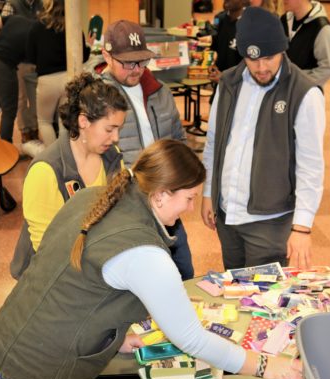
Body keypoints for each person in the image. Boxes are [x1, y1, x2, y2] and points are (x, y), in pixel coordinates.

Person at [0, 139, 301, 379]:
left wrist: (112, 336)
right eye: (189, 197)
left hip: (12, 338)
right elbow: (192, 338)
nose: (190, 208)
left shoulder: (94, 197)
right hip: (40, 372)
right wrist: (265, 365)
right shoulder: (146, 254)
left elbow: (73, 281)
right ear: (161, 194)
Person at [201, 7, 325, 270]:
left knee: (263, 300)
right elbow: (214, 142)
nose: (261, 67)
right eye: (251, 58)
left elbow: (310, 166)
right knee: (234, 290)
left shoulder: (304, 93)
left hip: (270, 221)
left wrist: (302, 228)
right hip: (227, 214)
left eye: (268, 57)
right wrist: (208, 194)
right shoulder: (228, 83)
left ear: (282, 48)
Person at [100, 19, 194, 280]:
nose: (136, 69)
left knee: (183, 273)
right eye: (127, 62)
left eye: (141, 61)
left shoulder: (160, 91)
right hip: (129, 208)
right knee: (145, 281)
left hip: (168, 204)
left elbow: (178, 139)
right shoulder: (98, 99)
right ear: (106, 55)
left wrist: (182, 184)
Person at [10, 73, 127, 279]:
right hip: (46, 275)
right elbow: (46, 246)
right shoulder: (46, 170)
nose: (115, 138)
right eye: (110, 129)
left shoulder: (112, 158)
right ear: (83, 121)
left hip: (89, 262)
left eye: (119, 129)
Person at [24, 0, 93, 156]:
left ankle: (52, 157)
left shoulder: (37, 26)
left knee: (44, 121)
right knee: (64, 121)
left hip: (46, 80)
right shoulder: (73, 26)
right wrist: (89, 45)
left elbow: (30, 56)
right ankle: (66, 156)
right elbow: (82, 56)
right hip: (68, 79)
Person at [0, 15, 34, 142]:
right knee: (8, 110)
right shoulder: (35, 30)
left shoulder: (16, 18)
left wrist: (0, 43)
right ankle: (6, 149)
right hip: (2, 65)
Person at [0, 0, 43, 144]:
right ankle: (25, 130)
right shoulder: (11, 5)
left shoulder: (41, 4)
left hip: (37, 60)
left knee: (36, 98)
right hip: (20, 61)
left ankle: (34, 128)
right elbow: (2, 31)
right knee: (22, 98)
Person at [280, 0, 330, 86]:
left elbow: (327, 69)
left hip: (306, 93)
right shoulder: (284, 20)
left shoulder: (322, 28)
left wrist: (298, 84)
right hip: (284, 89)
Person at [208, 0, 245, 84]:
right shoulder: (218, 18)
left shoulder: (249, 24)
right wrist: (213, 65)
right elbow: (214, 48)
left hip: (238, 84)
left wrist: (226, 77)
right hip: (219, 81)